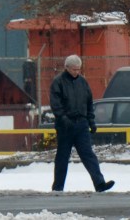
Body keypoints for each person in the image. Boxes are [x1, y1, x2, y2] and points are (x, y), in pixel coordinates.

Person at [49, 54, 115, 192]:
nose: (76, 72)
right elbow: (56, 104)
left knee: (88, 155)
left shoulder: (83, 82)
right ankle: (58, 187)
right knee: (62, 157)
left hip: (81, 124)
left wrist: (91, 121)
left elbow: (88, 103)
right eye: (74, 69)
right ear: (66, 68)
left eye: (78, 69)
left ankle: (99, 184)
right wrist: (63, 119)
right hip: (65, 127)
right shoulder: (58, 82)